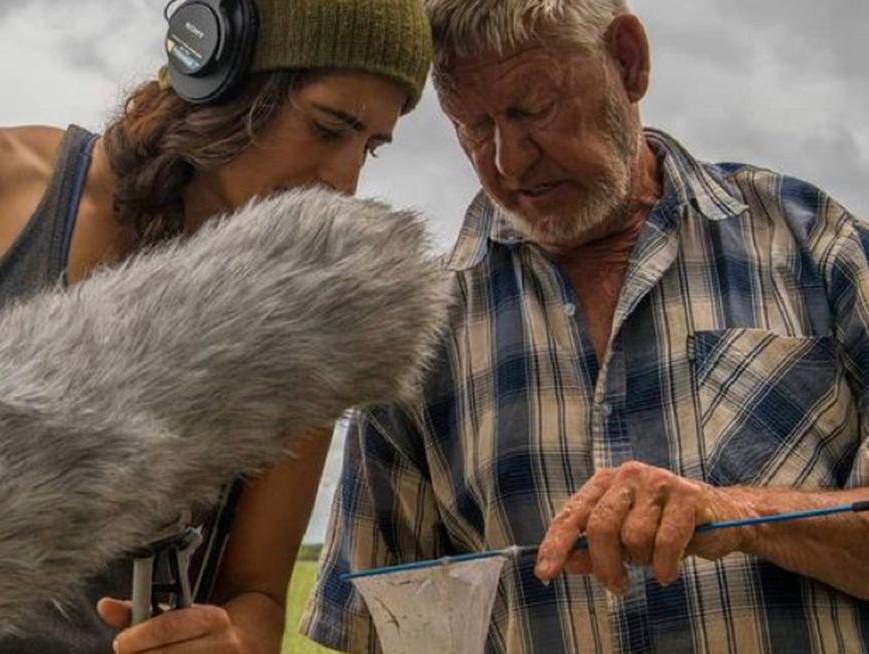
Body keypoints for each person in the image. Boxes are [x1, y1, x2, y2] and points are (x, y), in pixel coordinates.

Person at [303, 1, 869, 651]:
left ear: (628, 61)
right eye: (473, 125)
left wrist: (737, 513)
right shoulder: (417, 328)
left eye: (532, 109)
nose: (509, 160)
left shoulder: (817, 247)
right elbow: (379, 624)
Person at [0, 0, 432, 652]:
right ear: (217, 68)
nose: (343, 181)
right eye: (325, 128)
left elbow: (255, 594)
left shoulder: (304, 315)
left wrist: (226, 641)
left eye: (369, 148)